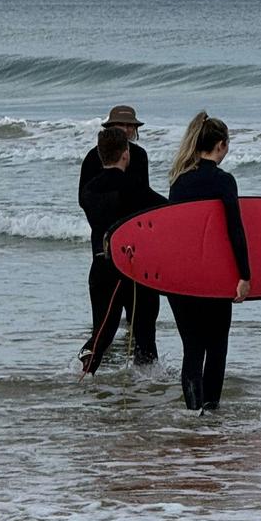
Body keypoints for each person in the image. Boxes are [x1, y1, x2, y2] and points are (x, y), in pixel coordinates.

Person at [165, 112, 251, 414]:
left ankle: (193, 415)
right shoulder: (223, 181)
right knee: (216, 348)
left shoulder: (179, 182)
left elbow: (174, 234)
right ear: (220, 145)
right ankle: (211, 412)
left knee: (192, 348)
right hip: (212, 280)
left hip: (181, 280)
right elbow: (234, 230)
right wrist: (244, 275)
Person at [78, 127, 167, 373]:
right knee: (145, 334)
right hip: (134, 270)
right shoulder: (134, 188)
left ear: (100, 154)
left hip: (101, 268)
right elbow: (166, 210)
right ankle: (148, 387)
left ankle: (85, 374)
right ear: (126, 154)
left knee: (104, 330)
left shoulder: (88, 191)